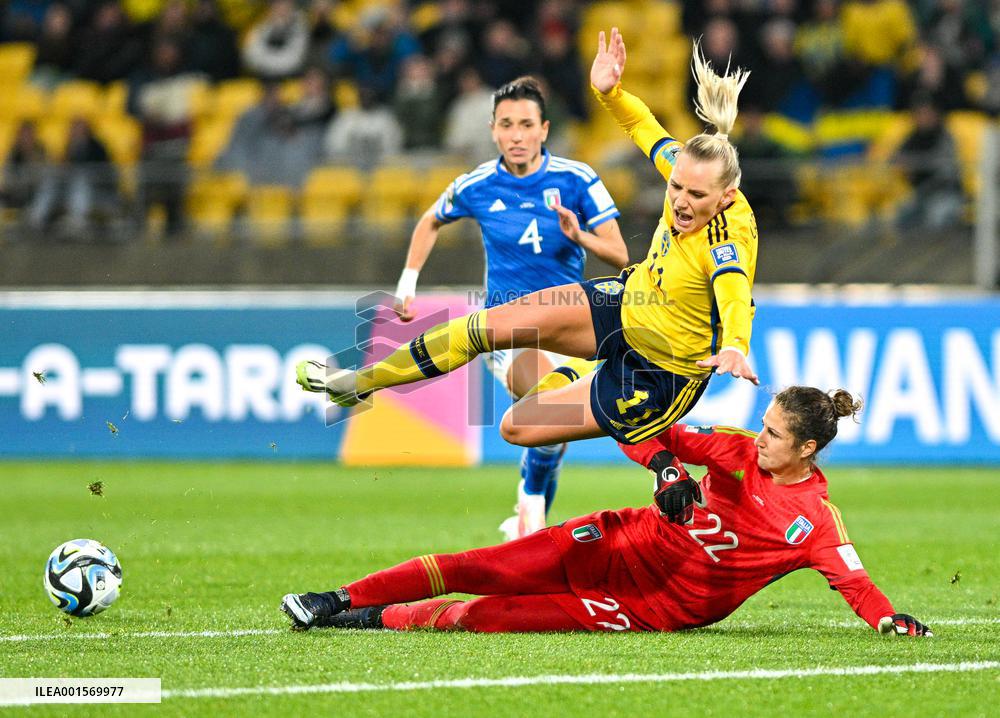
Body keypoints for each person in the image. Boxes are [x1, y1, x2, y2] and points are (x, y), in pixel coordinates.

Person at [295, 28, 758, 454]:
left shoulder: (726, 237)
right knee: (480, 328)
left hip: (661, 370)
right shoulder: (687, 168)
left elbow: (733, 288)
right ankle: (359, 382)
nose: (679, 200)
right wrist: (610, 92)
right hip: (626, 304)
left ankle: (674, 453)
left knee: (516, 427)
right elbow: (644, 128)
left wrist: (736, 344)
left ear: (726, 197)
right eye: (675, 186)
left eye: (695, 195)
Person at [280, 386, 932, 637]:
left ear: (807, 449)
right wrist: (666, 468)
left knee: (486, 618)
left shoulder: (814, 520)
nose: (757, 439)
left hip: (643, 609)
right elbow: (634, 427)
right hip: (613, 541)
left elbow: (854, 580)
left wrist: (885, 621)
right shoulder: (731, 452)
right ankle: (333, 599)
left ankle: (373, 618)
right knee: (480, 567)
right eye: (761, 427)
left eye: (773, 435)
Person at [389, 76, 628, 540]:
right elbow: (430, 220)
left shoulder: (578, 179)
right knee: (548, 413)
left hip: (570, 324)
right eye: (506, 125)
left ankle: (526, 507)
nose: (516, 135)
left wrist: (579, 236)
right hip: (508, 330)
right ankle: (533, 526)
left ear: (544, 129)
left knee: (552, 437)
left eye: (526, 124)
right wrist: (408, 281)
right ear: (493, 130)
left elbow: (620, 256)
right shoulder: (477, 184)